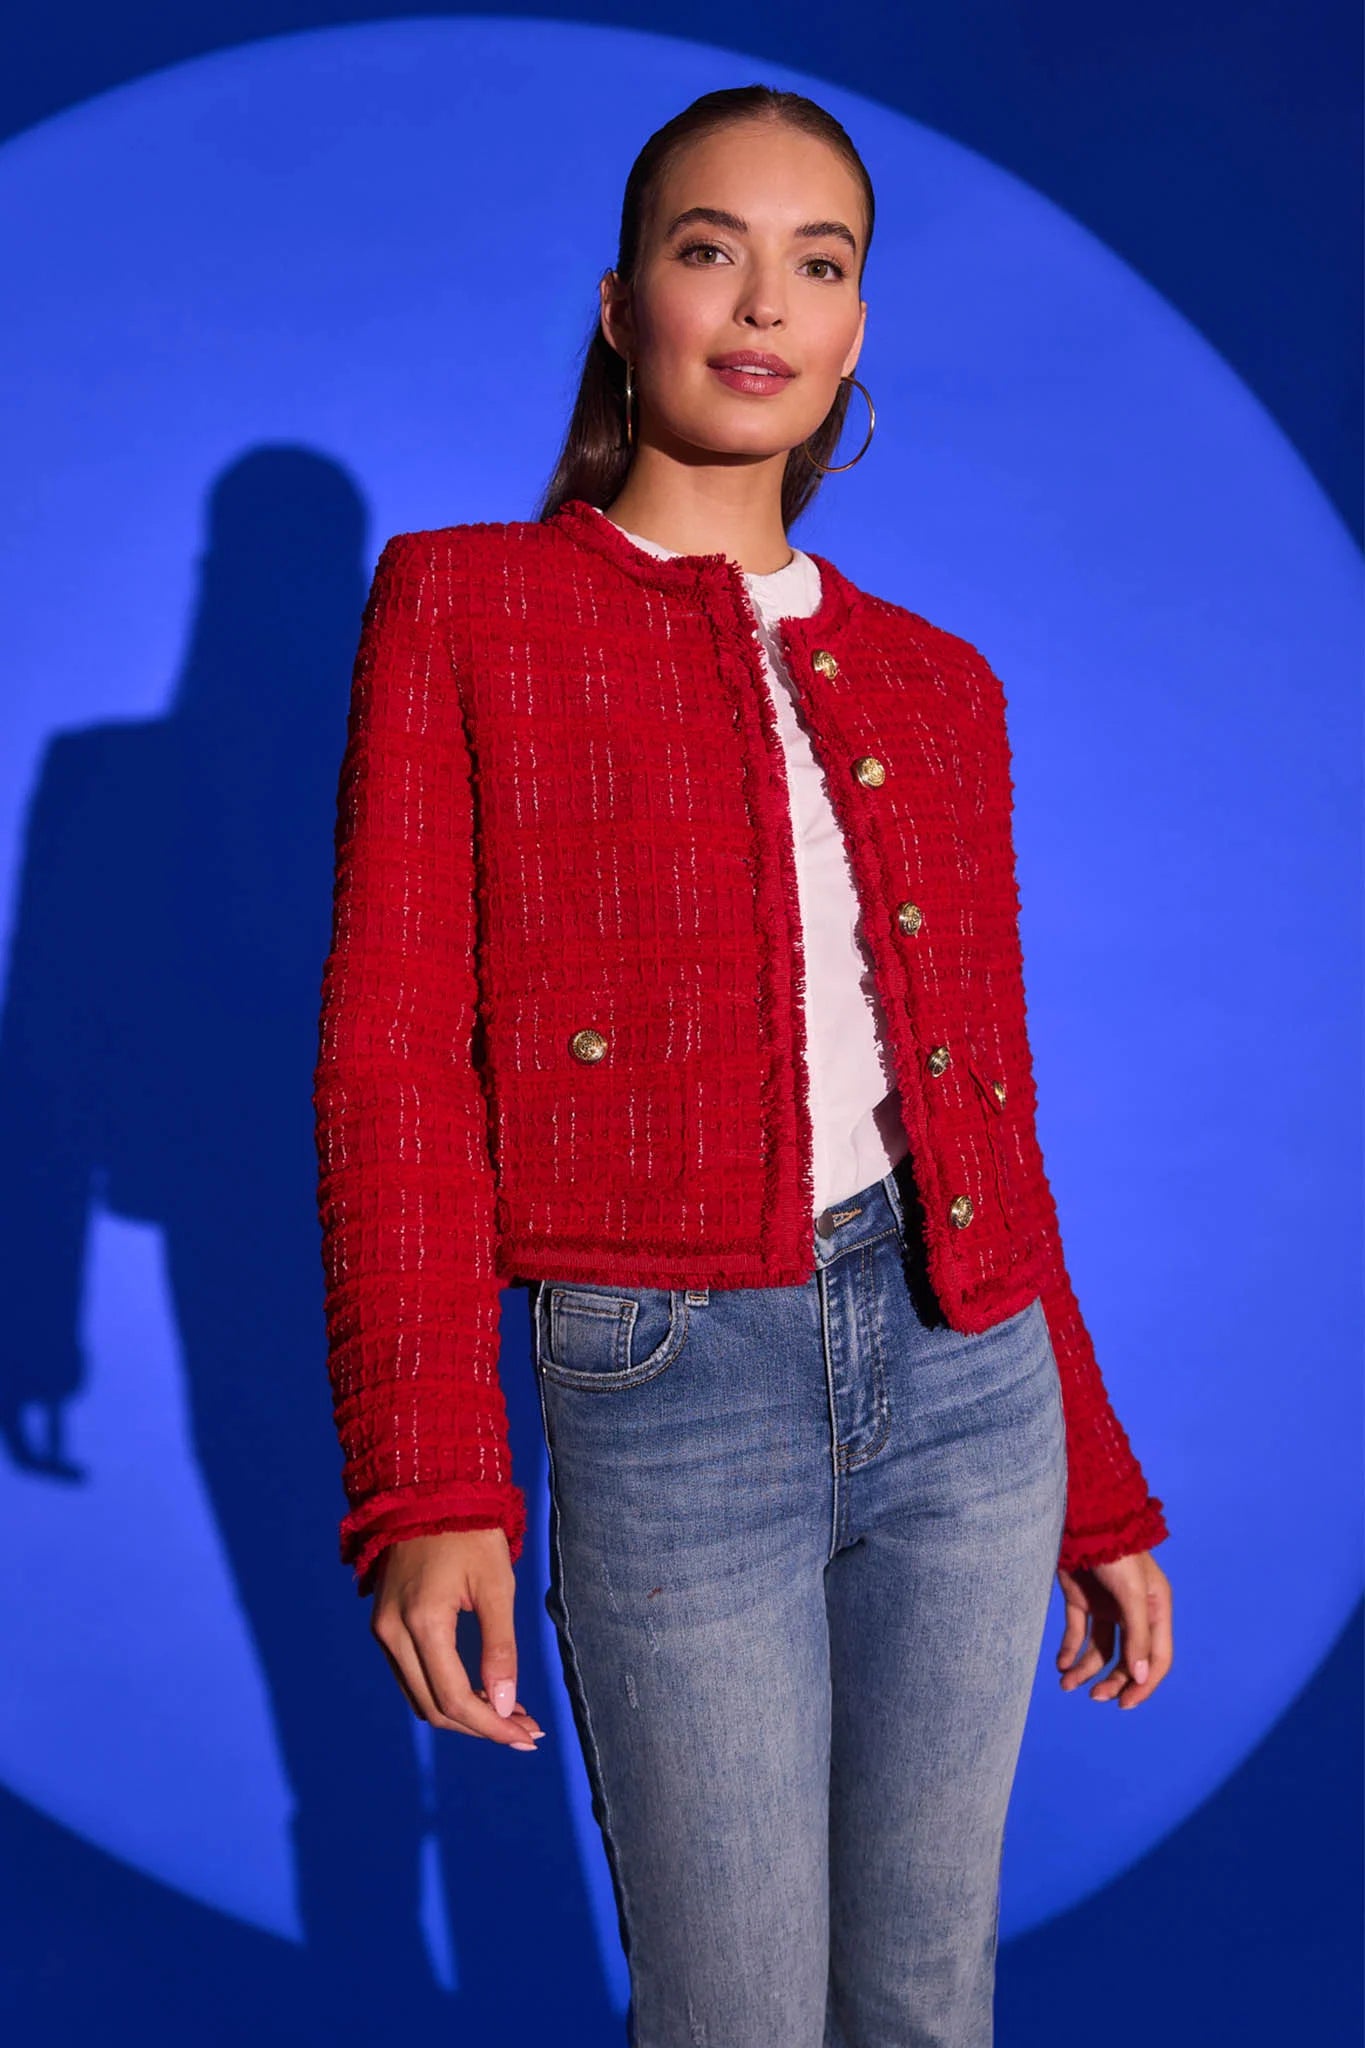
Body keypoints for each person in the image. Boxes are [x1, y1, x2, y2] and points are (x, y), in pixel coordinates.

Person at [312, 82, 1174, 2047]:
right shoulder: (467, 604)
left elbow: (988, 1124)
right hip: (664, 1383)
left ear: (856, 326)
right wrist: (426, 1474)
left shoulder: (941, 688)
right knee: (733, 2020)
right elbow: (390, 1066)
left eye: (819, 261)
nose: (760, 302)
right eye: (711, 249)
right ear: (623, 303)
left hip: (971, 1385)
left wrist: (1094, 1485)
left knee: (923, 2002)